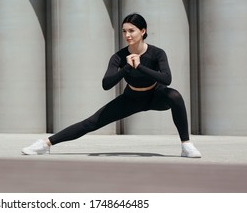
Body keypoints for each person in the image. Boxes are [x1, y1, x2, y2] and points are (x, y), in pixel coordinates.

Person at [22, 13, 201, 158]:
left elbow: (166, 78)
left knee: (175, 95)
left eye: (132, 30)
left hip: (156, 96)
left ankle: (186, 145)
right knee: (91, 122)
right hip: (131, 98)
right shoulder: (119, 57)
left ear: (143, 31)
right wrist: (125, 69)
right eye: (124, 31)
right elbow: (106, 84)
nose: (127, 35)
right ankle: (45, 144)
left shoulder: (157, 53)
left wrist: (140, 66)